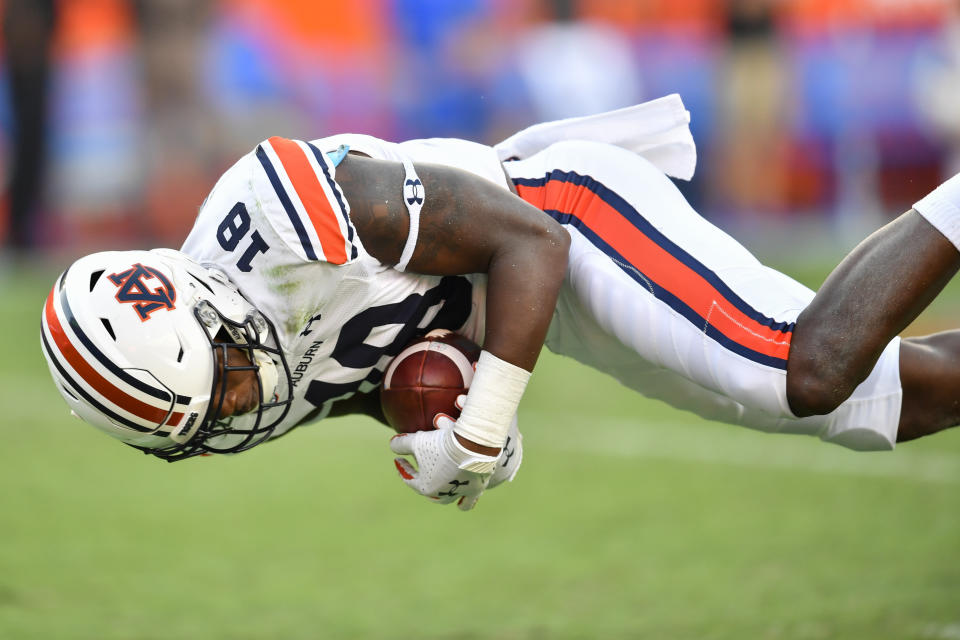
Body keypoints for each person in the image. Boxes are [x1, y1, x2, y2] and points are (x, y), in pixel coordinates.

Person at [40, 95, 960, 511]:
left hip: (560, 212)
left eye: (228, 386)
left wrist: (486, 417)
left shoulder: (283, 223)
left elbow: (528, 240)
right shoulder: (220, 380)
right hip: (535, 306)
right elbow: (351, 376)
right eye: (209, 420)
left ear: (213, 313)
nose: (237, 410)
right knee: (892, 402)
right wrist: (434, 426)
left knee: (811, 369)